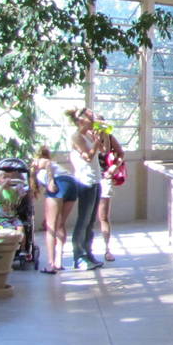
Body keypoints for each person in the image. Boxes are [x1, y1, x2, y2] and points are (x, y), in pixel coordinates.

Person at [65, 107, 103, 270]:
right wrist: (95, 142)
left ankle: (88, 252)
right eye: (90, 117)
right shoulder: (76, 137)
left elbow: (101, 151)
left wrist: (100, 138)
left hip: (96, 180)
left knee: (91, 221)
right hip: (85, 181)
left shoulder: (88, 135)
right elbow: (88, 156)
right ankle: (78, 256)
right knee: (83, 220)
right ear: (80, 120)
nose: (93, 118)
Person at [32, 146, 76, 273]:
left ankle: (51, 264)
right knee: (60, 224)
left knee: (50, 227)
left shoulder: (41, 161)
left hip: (59, 183)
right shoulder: (54, 167)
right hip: (71, 184)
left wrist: (51, 181)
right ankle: (59, 262)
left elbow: (48, 164)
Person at [94, 123, 125, 263]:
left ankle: (107, 249)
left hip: (104, 178)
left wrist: (114, 167)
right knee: (88, 216)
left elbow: (121, 153)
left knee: (103, 216)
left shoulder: (110, 138)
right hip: (91, 178)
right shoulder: (87, 138)